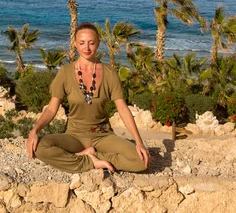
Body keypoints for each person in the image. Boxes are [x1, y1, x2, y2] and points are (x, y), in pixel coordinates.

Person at [26, 21, 150, 174]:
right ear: (75, 44)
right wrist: (34, 130)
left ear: (98, 43)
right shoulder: (65, 72)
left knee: (141, 161)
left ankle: (91, 155)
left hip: (102, 136)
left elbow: (123, 109)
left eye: (91, 43)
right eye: (82, 43)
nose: (87, 48)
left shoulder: (110, 73)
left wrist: (138, 141)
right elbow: (52, 109)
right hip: (74, 136)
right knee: (40, 147)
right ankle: (89, 160)